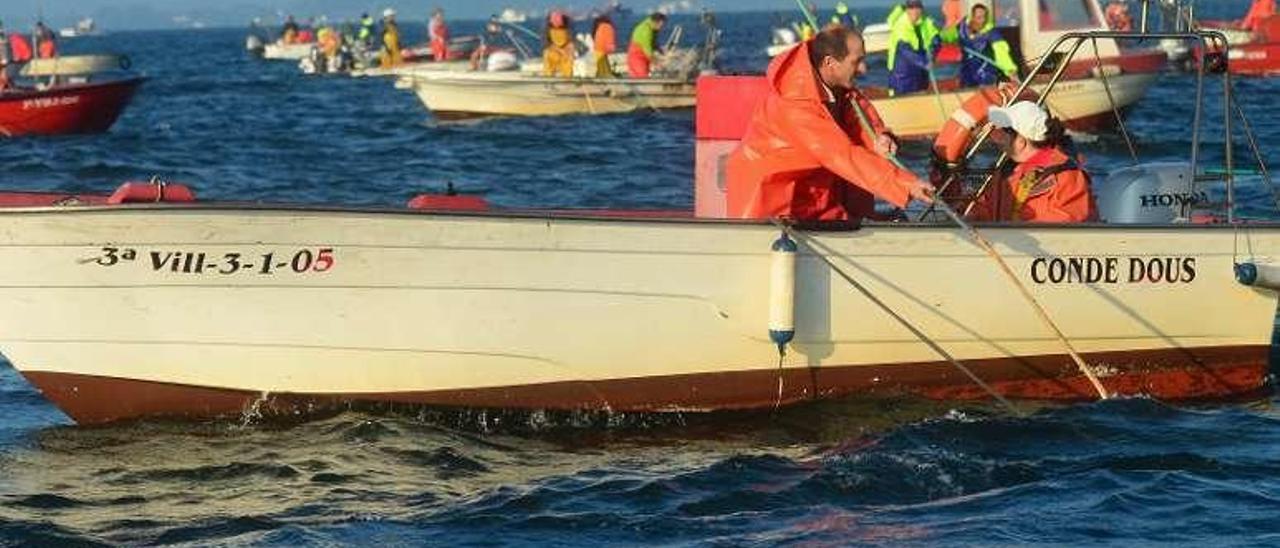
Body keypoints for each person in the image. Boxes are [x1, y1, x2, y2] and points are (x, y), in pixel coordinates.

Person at [726, 26, 934, 221]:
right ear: (829, 63)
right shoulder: (795, 103)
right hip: (774, 198)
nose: (863, 68)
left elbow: (860, 118)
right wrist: (907, 183)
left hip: (815, 192)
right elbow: (841, 154)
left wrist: (881, 137)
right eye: (856, 61)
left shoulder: (839, 88)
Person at [968, 101, 1097, 222]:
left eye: (1004, 132)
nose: (999, 139)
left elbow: (1069, 226)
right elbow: (984, 210)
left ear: (1021, 141)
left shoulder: (1067, 176)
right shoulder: (1004, 174)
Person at [943, 3, 1018, 87]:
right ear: (972, 18)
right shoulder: (961, 28)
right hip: (967, 73)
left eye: (984, 17)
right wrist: (941, 37)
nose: (982, 21)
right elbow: (948, 36)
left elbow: (1001, 52)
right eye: (979, 18)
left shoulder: (992, 33)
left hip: (986, 73)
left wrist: (1010, 70)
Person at [886, 0, 941, 95]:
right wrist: (925, 63)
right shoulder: (901, 25)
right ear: (907, 10)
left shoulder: (926, 22)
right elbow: (906, 51)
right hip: (902, 75)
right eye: (911, 8)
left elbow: (936, 39)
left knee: (921, 93)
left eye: (917, 7)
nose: (915, 11)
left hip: (920, 74)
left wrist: (932, 53)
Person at [627, 12, 667, 78]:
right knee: (642, 78)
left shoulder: (653, 28)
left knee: (644, 76)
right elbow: (649, 52)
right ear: (655, 22)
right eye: (660, 25)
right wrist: (658, 64)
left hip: (644, 56)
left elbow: (653, 42)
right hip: (637, 57)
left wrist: (660, 50)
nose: (661, 28)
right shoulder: (645, 31)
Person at [542, 11, 575, 77]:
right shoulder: (546, 28)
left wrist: (568, 48)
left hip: (565, 51)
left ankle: (567, 78)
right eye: (555, 25)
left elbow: (571, 40)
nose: (557, 27)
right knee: (547, 55)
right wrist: (558, 50)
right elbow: (546, 42)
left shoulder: (568, 26)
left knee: (569, 59)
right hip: (552, 50)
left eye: (559, 25)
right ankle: (548, 77)